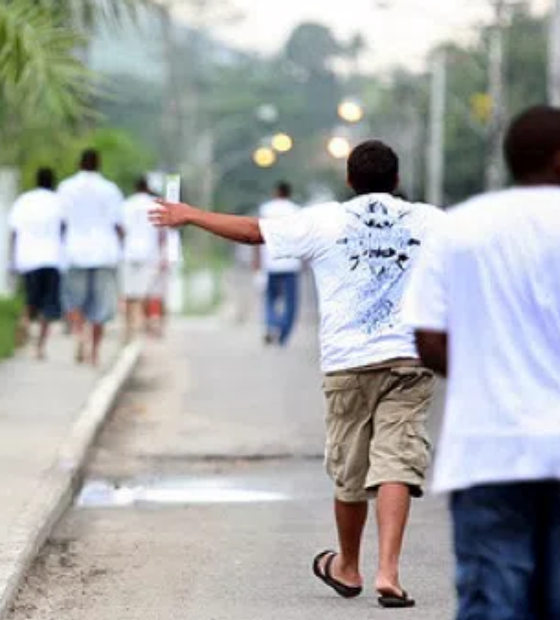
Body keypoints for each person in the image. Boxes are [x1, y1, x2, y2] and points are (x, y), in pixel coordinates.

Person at [150, 139, 443, 607]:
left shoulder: (324, 220)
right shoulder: (430, 221)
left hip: (348, 362)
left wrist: (191, 214)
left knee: (350, 472)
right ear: (397, 180)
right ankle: (389, 571)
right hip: (408, 360)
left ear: (349, 180)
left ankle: (348, 566)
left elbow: (252, 233)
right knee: (397, 462)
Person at [403, 105, 560, 620]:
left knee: (494, 603)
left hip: (487, 447)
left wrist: (484, 376)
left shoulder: (460, 227)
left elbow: (427, 338)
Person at [58, 149, 124, 366]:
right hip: (105, 252)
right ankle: (94, 352)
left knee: (74, 300)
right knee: (101, 306)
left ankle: (80, 335)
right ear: (98, 164)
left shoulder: (66, 188)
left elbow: (61, 222)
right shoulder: (110, 189)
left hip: (75, 251)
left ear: (80, 163)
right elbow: (119, 225)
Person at [9, 168, 64, 360]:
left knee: (31, 301)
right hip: (52, 258)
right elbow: (65, 229)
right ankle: (40, 347)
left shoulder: (24, 200)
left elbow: (14, 231)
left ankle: (24, 323)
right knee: (47, 307)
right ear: (53, 181)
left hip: (28, 258)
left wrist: (13, 258)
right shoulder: (58, 201)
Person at [255, 181, 301, 345]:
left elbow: (257, 235)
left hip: (271, 262)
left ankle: (272, 323)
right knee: (291, 302)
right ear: (289, 193)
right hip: (291, 263)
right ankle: (283, 334)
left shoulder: (266, 209)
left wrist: (257, 263)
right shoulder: (297, 210)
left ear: (276, 192)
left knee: (270, 299)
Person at [121, 177, 168, 341]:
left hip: (129, 252)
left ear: (135, 188)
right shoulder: (155, 205)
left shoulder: (126, 204)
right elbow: (162, 234)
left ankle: (128, 327)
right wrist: (163, 254)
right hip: (150, 253)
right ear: (148, 188)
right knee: (146, 292)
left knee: (128, 293)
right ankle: (142, 323)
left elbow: (121, 229)